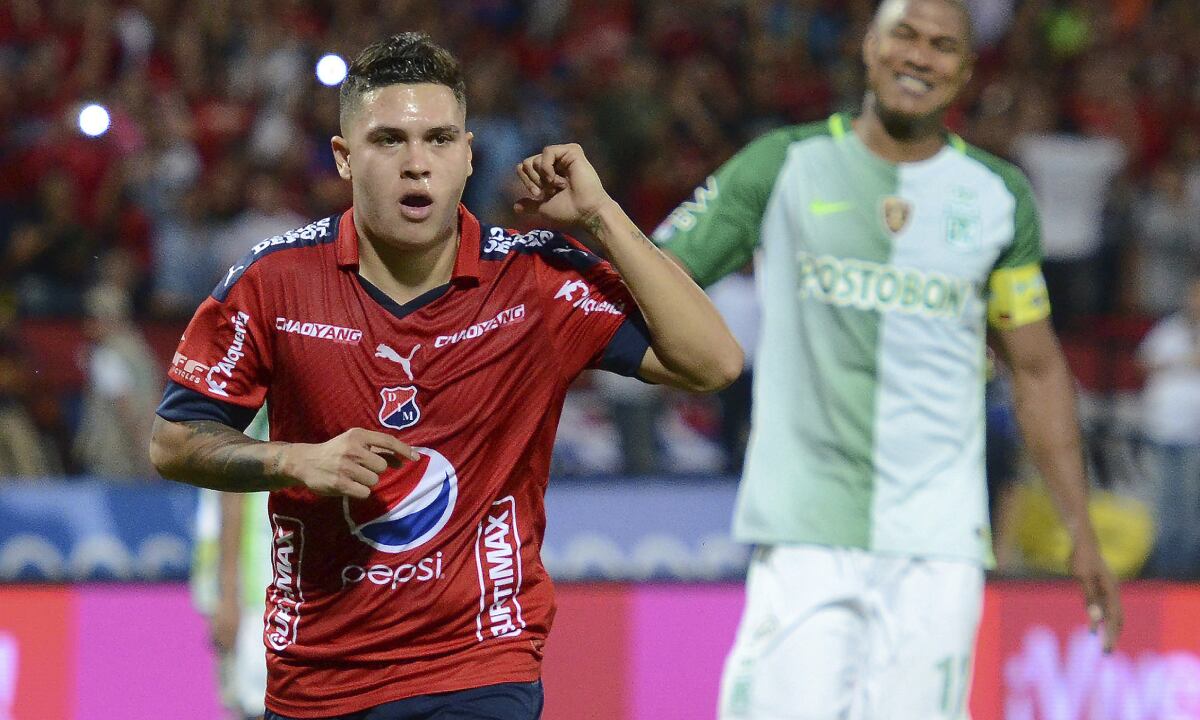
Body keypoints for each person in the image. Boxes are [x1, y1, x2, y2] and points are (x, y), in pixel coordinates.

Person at [150, 32, 741, 720]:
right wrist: (293, 460)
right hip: (319, 677)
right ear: (344, 158)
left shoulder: (534, 280)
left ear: (467, 154)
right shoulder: (272, 281)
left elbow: (714, 362)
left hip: (481, 666)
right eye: (389, 141)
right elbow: (173, 441)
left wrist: (601, 218)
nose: (417, 166)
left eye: (438, 140)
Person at [653, 1, 1123, 717]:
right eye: (904, 34)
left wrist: (1081, 531)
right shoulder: (785, 164)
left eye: (942, 46)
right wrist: (595, 220)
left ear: (964, 71)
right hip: (804, 524)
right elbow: (658, 276)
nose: (920, 56)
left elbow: (1036, 367)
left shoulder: (997, 196)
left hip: (938, 541)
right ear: (869, 46)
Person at [191, 407, 272, 720]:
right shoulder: (242, 399)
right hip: (250, 591)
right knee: (251, 703)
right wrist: (227, 596)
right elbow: (230, 492)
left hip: (256, 589)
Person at [1137, 276, 1200, 579]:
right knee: (1165, 504)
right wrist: (1183, 361)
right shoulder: (1169, 330)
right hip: (1163, 429)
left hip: (1195, 434)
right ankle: (1165, 572)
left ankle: (1189, 572)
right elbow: (1143, 362)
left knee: (1191, 505)